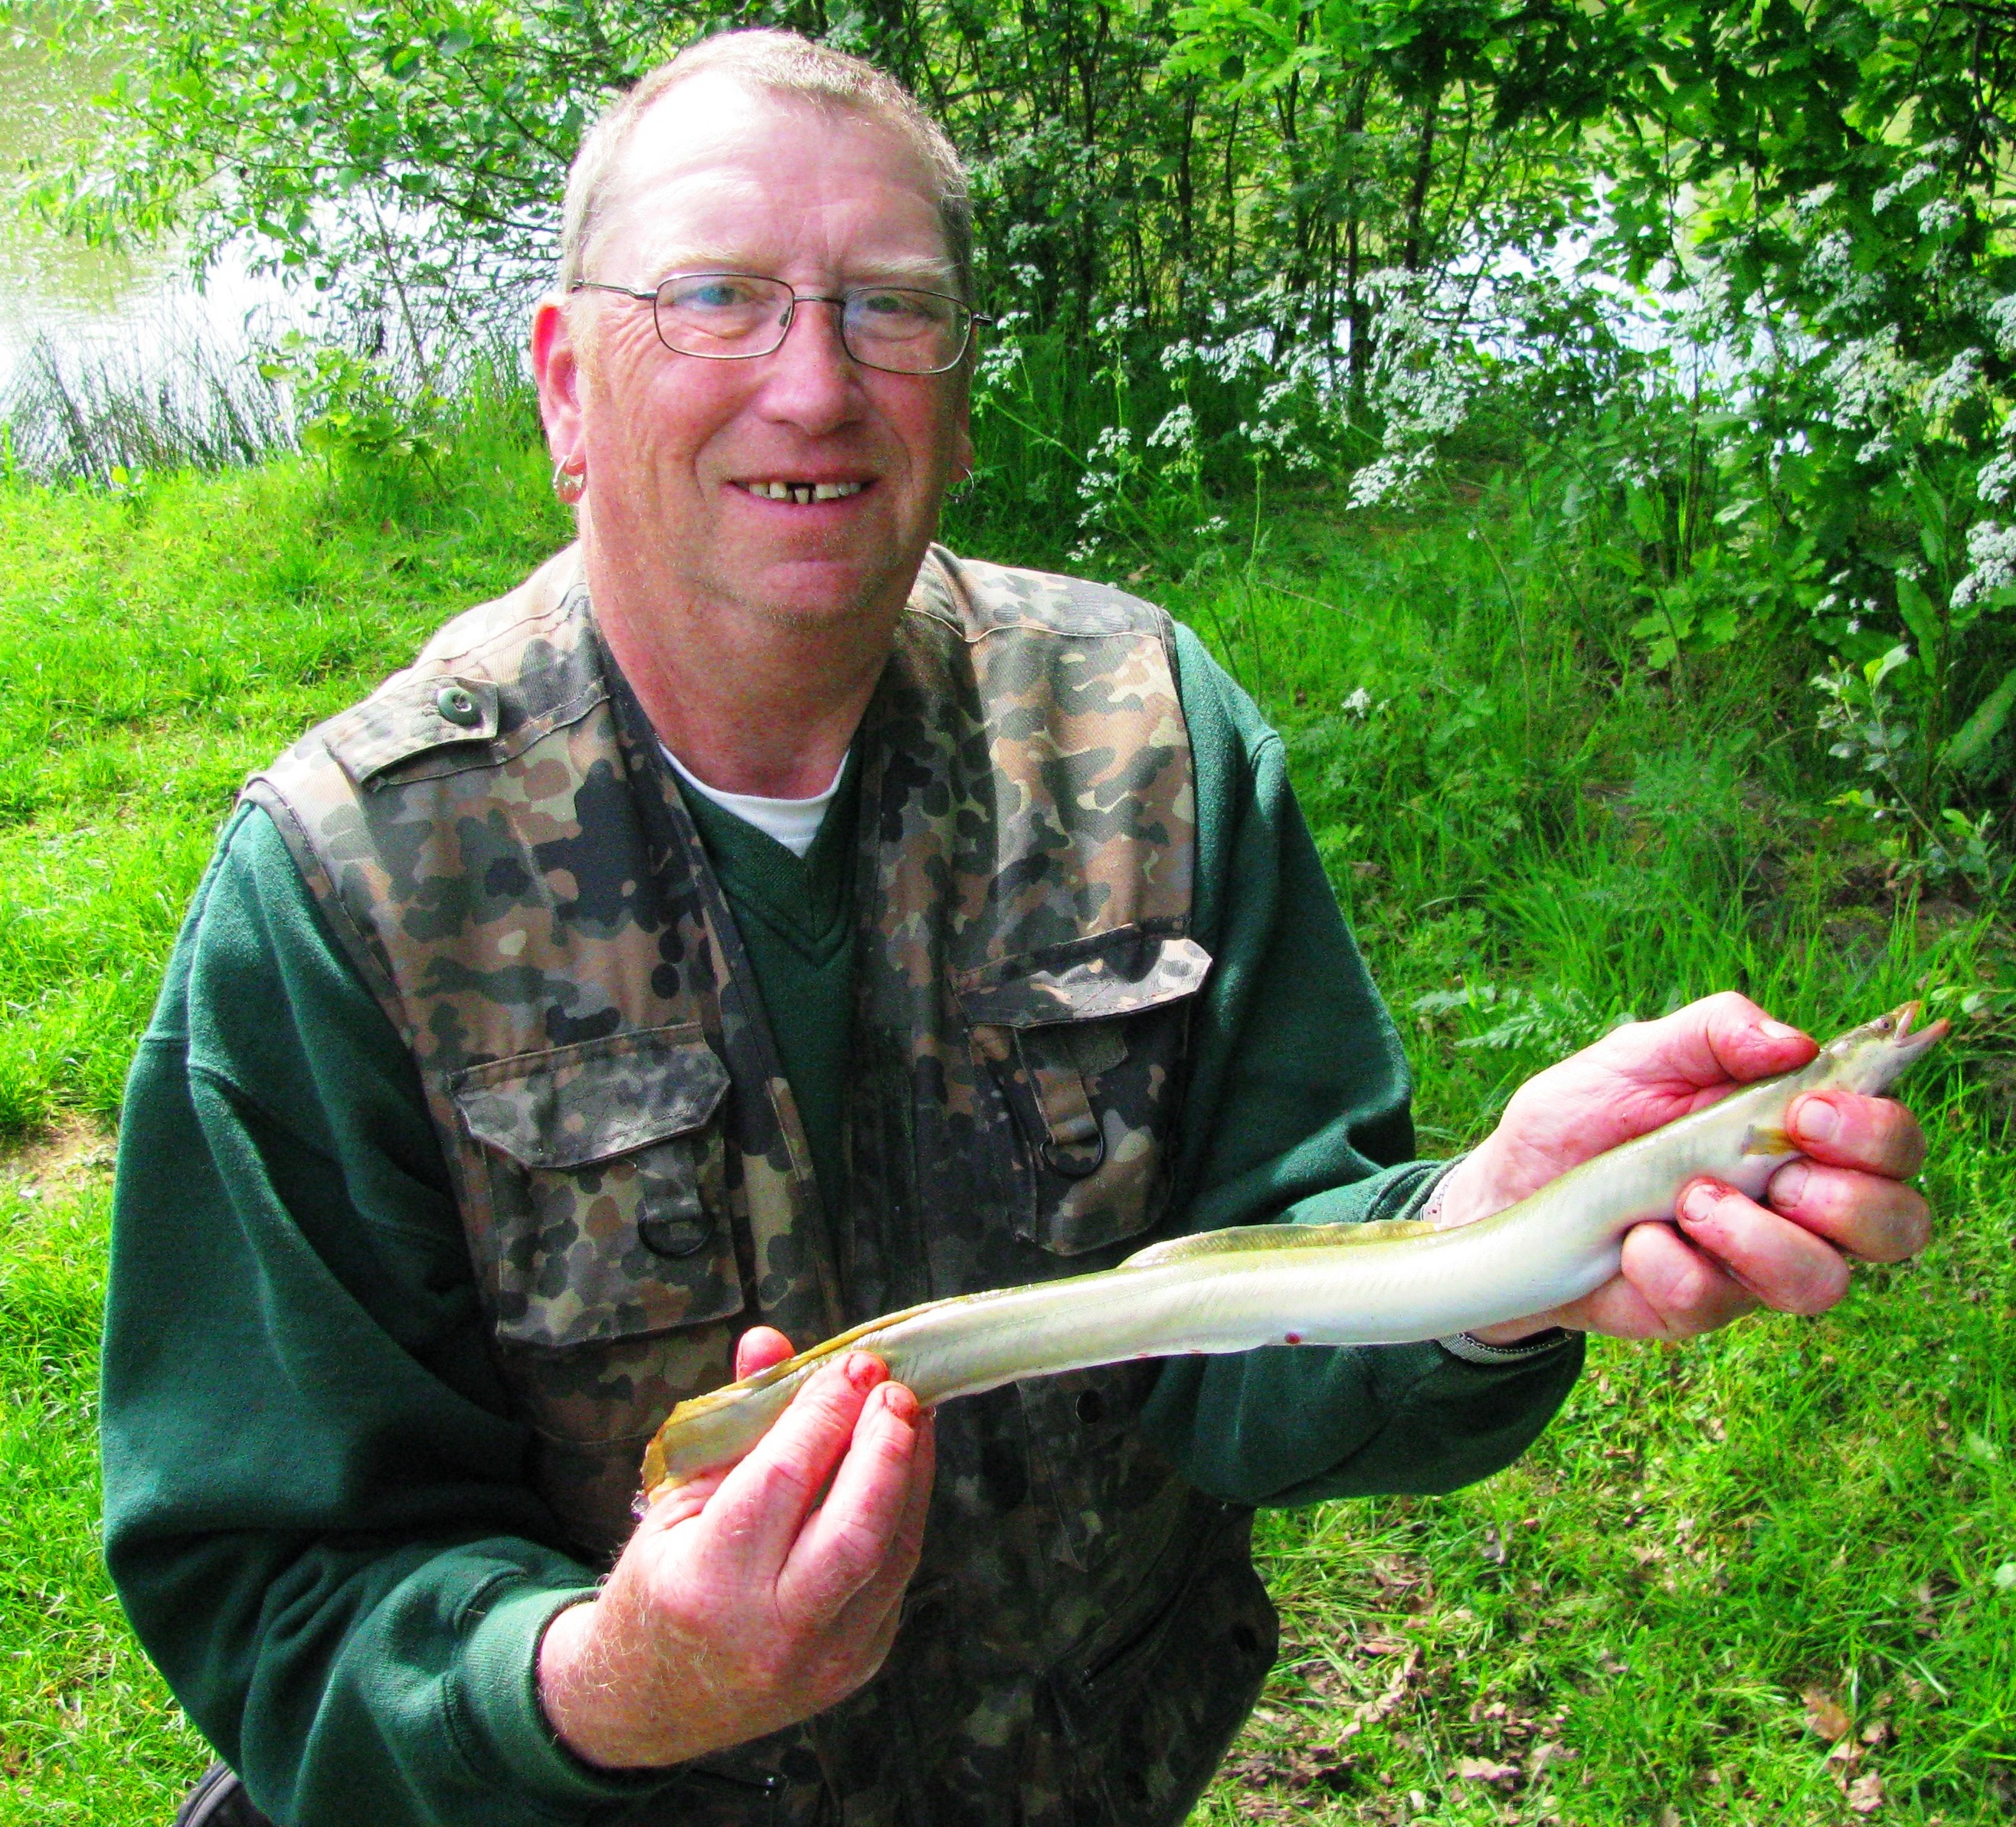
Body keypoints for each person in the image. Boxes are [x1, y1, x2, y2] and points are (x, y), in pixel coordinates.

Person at [104, 31, 1933, 1827]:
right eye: (716, 297)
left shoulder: (1147, 728)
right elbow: (272, 1587)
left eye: (887, 306)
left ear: (959, 396)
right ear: (568, 386)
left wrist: (1493, 1237)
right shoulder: (345, 883)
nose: (812, 384)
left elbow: (1253, 1319)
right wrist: (613, 1681)